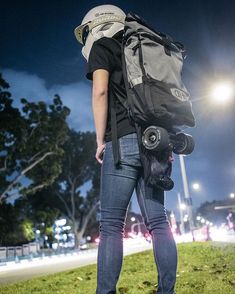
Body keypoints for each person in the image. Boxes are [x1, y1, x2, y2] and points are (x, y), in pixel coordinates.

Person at [74, 5, 177, 294]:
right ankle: (167, 290)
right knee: (158, 222)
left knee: (111, 227)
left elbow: (101, 92)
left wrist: (99, 141)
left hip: (122, 144)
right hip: (155, 143)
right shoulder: (142, 47)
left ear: (94, 25)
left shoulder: (103, 46)